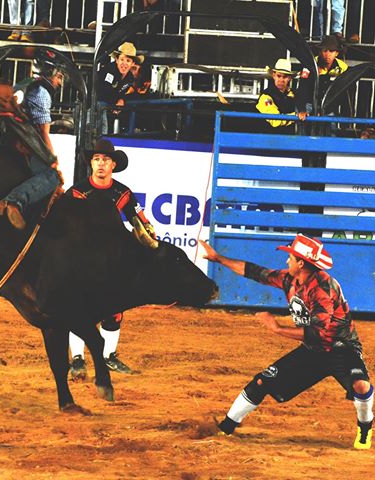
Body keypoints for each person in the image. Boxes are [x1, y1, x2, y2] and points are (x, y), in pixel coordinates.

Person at [199, 234, 373, 449]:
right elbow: (256, 272)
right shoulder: (290, 279)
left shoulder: (323, 289)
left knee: (361, 385)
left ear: (301, 263)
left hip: (341, 348)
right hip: (313, 351)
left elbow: (319, 333)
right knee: (262, 381)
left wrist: (277, 328)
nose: (286, 260)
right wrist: (218, 259)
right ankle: (226, 427)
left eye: (290, 257)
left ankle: (365, 428)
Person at [66, 139, 158, 378]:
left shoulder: (122, 193)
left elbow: (140, 220)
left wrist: (148, 233)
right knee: (79, 308)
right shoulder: (77, 193)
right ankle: (77, 359)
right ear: (91, 163)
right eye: (96, 159)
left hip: (112, 259)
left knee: (114, 308)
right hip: (82, 258)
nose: (100, 164)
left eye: (105, 160)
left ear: (113, 165)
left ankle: (108, 356)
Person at [0, 52, 64, 229]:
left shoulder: (23, 85)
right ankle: (14, 202)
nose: (60, 82)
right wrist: (52, 160)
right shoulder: (42, 93)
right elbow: (42, 131)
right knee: (51, 176)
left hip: (7, 138)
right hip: (24, 144)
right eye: (59, 77)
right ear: (50, 73)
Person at [96, 42, 143, 134]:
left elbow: (124, 93)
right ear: (117, 60)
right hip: (91, 105)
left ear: (132, 63)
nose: (124, 64)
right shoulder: (109, 71)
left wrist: (122, 100)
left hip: (108, 106)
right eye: (122, 59)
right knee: (101, 130)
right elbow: (105, 90)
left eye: (128, 61)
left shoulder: (129, 77)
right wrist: (115, 102)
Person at [255, 58, 307, 133]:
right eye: (279, 76)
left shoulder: (295, 94)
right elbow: (275, 121)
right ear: (274, 76)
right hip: (270, 138)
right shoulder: (266, 96)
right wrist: (297, 115)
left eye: (285, 77)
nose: (281, 80)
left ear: (289, 78)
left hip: (291, 138)